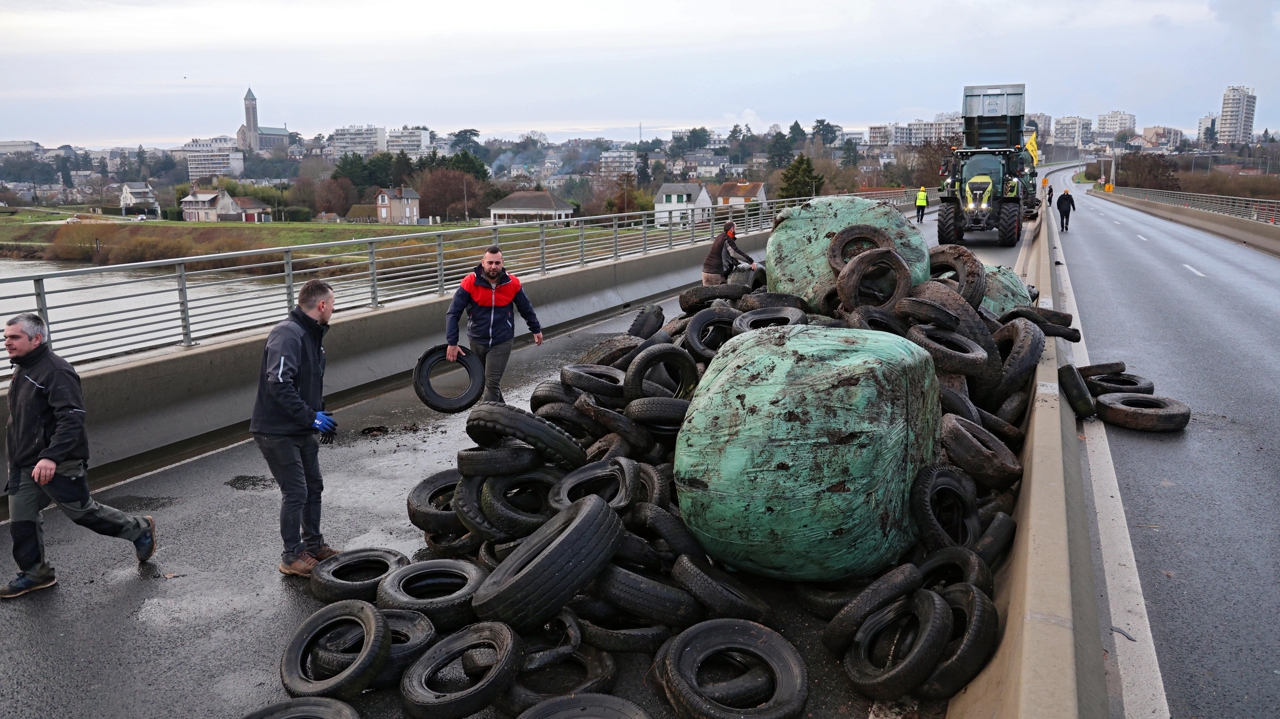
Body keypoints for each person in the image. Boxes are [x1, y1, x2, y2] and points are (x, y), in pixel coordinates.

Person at [1, 313, 157, 599]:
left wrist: (51, 456)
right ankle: (36, 574)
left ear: (36, 339)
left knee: (83, 513)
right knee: (22, 519)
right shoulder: (23, 368)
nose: (7, 342)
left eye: (14, 337)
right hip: (24, 463)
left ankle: (139, 528)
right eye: (5, 337)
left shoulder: (56, 371)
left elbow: (71, 418)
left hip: (57, 461)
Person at [251, 279, 341, 578]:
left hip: (301, 427)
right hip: (276, 430)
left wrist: (319, 412)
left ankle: (313, 546)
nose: (333, 308)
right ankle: (291, 556)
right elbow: (278, 384)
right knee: (296, 492)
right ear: (322, 305)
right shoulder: (287, 334)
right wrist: (311, 417)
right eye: (333, 303)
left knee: (313, 486)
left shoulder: (312, 334)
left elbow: (308, 381)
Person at [445, 246, 543, 404]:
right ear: (482, 263)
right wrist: (452, 342)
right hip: (477, 339)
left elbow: (526, 308)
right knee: (483, 381)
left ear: (502, 263)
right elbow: (453, 313)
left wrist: (535, 329)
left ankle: (484, 421)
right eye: (490, 262)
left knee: (492, 383)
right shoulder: (470, 282)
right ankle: (504, 416)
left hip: (501, 339)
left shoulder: (512, 283)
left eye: (497, 263)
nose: (493, 266)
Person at [701, 221, 757, 286]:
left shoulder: (720, 236)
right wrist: (751, 262)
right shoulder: (727, 239)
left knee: (708, 295)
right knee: (721, 294)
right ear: (732, 229)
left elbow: (727, 255)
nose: (736, 231)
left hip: (705, 272)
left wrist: (737, 263)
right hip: (716, 273)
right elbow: (734, 253)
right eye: (736, 229)